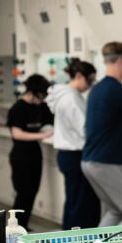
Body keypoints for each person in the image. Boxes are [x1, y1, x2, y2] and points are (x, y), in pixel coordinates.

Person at [81, 41, 122, 226]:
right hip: (109, 161)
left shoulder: (96, 89)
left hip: (89, 161)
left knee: (116, 212)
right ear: (121, 60)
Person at [47, 58, 101, 229]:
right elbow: (85, 129)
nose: (91, 84)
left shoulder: (67, 96)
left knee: (75, 202)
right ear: (78, 76)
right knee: (80, 205)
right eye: (90, 80)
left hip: (68, 156)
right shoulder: (70, 99)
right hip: (75, 156)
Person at [6, 74, 54, 230]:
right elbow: (17, 133)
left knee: (33, 191)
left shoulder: (41, 106)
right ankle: (16, 228)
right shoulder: (18, 108)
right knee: (23, 193)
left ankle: (24, 226)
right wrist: (41, 135)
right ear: (31, 92)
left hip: (35, 154)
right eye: (40, 95)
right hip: (21, 156)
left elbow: (51, 121)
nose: (41, 100)